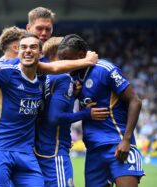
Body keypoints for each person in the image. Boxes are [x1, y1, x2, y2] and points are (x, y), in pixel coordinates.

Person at [0, 33, 98, 186]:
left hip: (26, 154)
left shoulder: (41, 80)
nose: (27, 50)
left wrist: (74, 91)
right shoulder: (7, 72)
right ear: (18, 52)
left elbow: (54, 68)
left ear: (40, 54)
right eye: (23, 47)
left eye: (33, 47)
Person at [58, 34, 145, 187]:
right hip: (93, 150)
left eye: (66, 58)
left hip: (117, 145)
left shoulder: (105, 69)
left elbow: (135, 101)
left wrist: (126, 140)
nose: (63, 63)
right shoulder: (73, 79)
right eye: (61, 59)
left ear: (81, 56)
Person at [35, 36, 110, 187]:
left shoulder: (45, 78)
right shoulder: (63, 78)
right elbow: (55, 117)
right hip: (55, 152)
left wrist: (73, 97)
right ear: (60, 55)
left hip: (42, 147)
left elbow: (51, 107)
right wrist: (86, 114)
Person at [0, 7, 55, 120]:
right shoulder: (14, 57)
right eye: (39, 28)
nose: (44, 33)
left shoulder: (52, 55)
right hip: (19, 124)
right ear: (28, 28)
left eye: (48, 29)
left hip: (42, 124)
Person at [0, 26, 26, 121]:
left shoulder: (1, 61)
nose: (28, 50)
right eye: (24, 46)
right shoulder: (12, 64)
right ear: (16, 48)